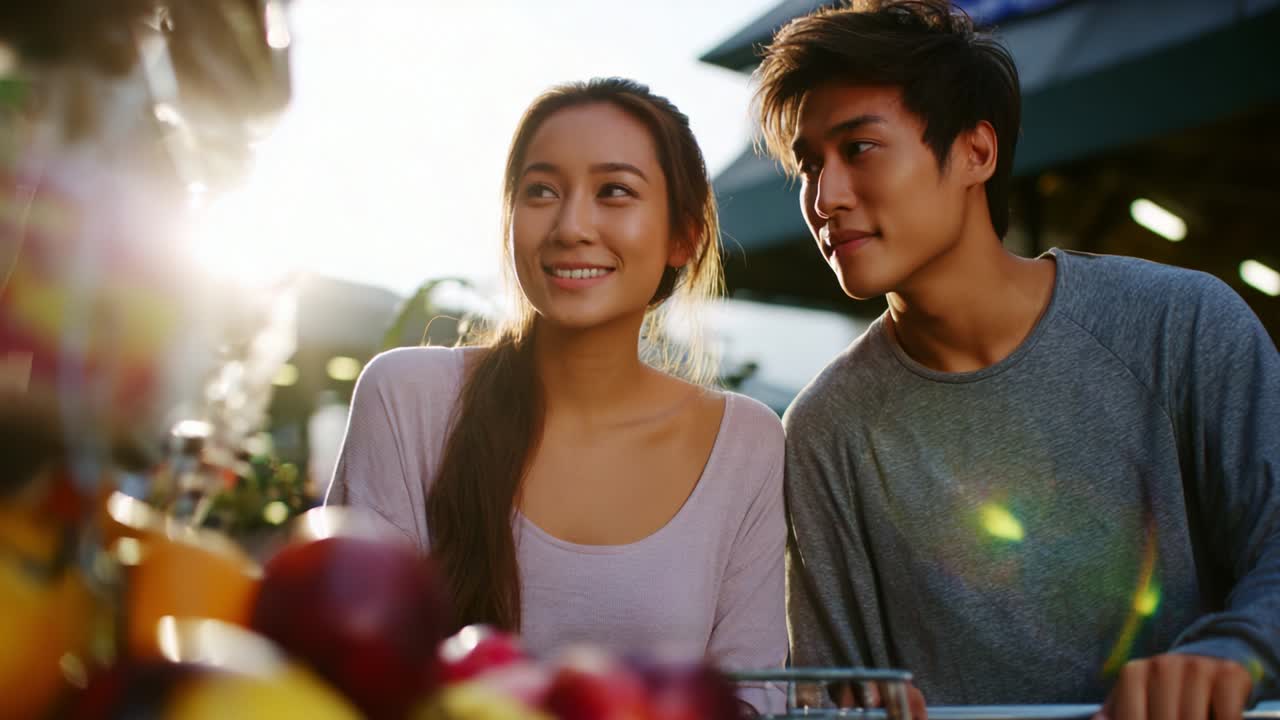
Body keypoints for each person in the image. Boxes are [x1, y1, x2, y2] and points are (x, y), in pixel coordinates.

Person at [751, 1, 1280, 717]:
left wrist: (1234, 650)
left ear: (976, 152)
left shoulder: (1179, 323)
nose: (824, 197)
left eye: (860, 148)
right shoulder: (825, 427)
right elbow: (835, 689)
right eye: (809, 166)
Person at [327, 78, 786, 713]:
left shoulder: (747, 443)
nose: (571, 226)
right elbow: (352, 675)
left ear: (684, 236)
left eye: (614, 192)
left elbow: (754, 700)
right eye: (540, 191)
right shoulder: (406, 399)